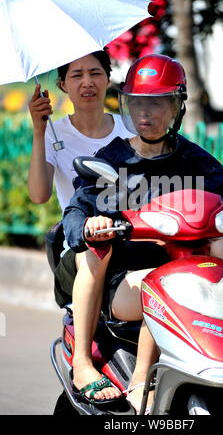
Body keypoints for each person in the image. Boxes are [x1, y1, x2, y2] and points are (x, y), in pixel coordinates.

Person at [62, 54, 223, 412]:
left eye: (156, 103)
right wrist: (87, 224)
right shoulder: (113, 162)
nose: (144, 114)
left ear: (177, 106)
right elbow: (78, 206)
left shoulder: (193, 160)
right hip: (128, 284)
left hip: (185, 273)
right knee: (98, 251)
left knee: (221, 240)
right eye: (136, 104)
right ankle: (95, 369)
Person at [27, 49, 133, 401]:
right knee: (96, 253)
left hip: (135, 239)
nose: (87, 82)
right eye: (76, 75)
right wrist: (39, 132)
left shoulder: (129, 130)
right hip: (84, 244)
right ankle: (84, 363)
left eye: (95, 72)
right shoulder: (55, 134)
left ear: (108, 78)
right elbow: (40, 195)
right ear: (62, 86)